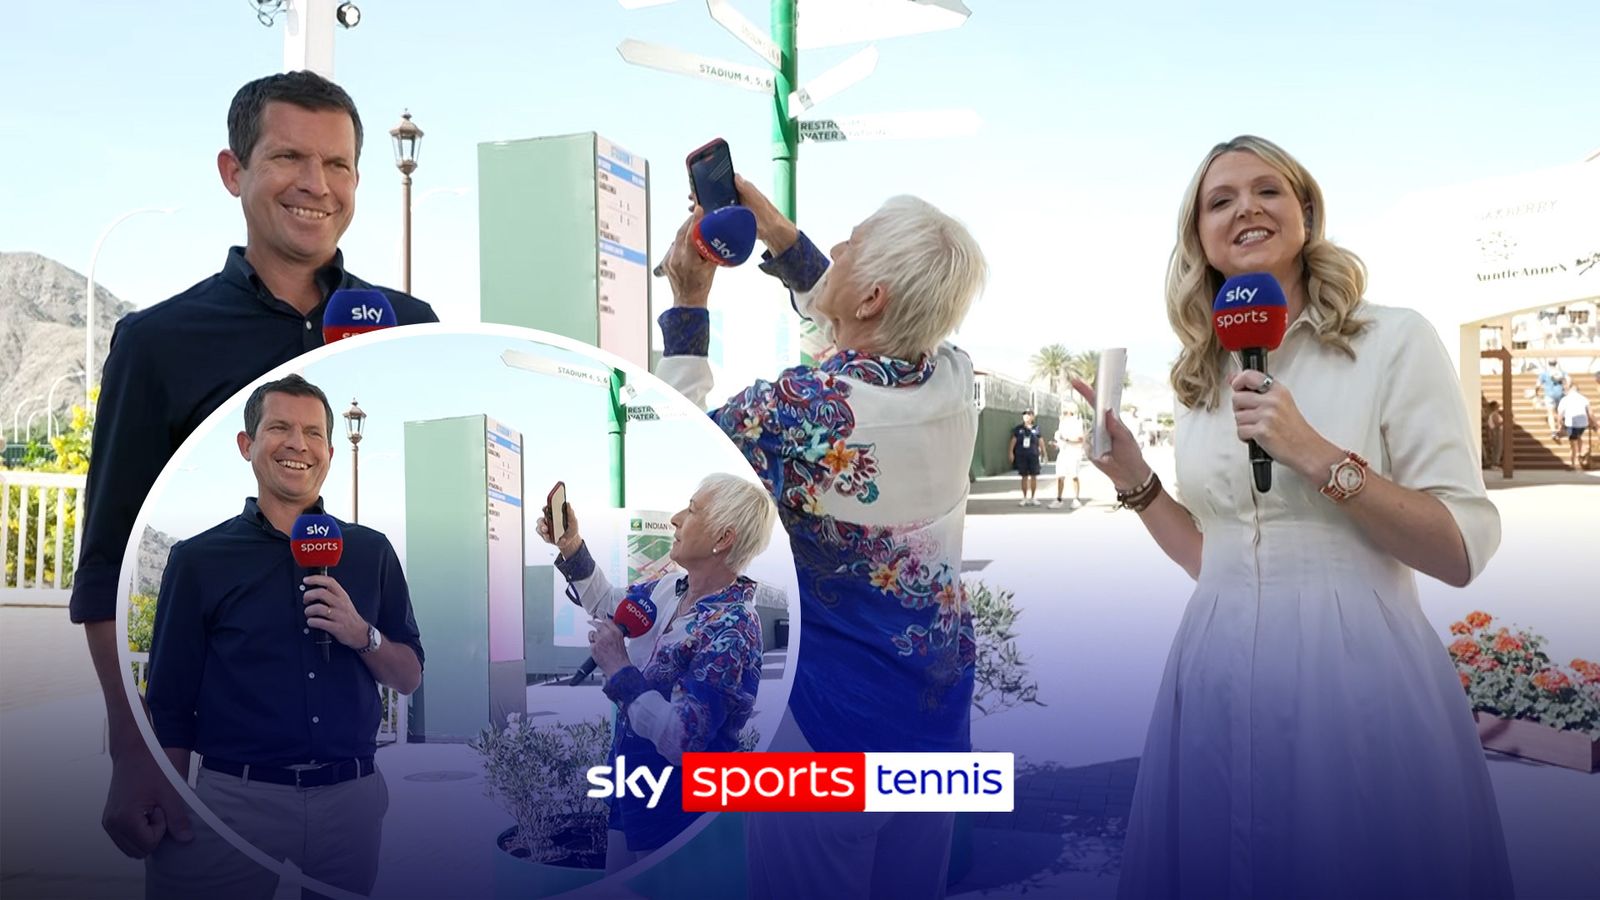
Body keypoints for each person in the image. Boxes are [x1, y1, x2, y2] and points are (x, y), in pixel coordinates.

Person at [1078, 135, 1513, 899]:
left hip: (1355, 681)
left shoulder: (1393, 340)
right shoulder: (1200, 369)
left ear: (1305, 214)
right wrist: (1137, 480)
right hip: (1210, 675)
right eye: (1220, 201)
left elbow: (1459, 550)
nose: (1245, 206)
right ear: (1200, 241)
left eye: (1267, 190)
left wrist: (1316, 455)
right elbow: (1211, 558)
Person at [73, 71, 437, 862]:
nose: (316, 185)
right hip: (219, 800)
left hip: (350, 801)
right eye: (288, 158)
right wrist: (131, 754)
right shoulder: (158, 343)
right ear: (234, 172)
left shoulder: (410, 329)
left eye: (337, 165)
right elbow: (106, 568)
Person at [656, 175, 987, 900]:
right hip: (935, 723)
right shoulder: (955, 379)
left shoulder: (797, 410)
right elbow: (856, 321)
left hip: (829, 734)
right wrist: (775, 231)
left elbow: (681, 451)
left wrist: (687, 305)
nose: (833, 246)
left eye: (853, 242)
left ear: (872, 298)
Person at [144, 375, 424, 898]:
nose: (299, 444)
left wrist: (361, 634)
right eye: (280, 428)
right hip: (234, 801)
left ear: (330, 452)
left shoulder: (371, 551)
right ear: (247, 446)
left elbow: (409, 676)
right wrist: (167, 797)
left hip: (351, 800)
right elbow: (171, 701)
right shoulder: (198, 560)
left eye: (313, 433)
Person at [538, 473, 775, 873]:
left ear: (724, 538)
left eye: (693, 509)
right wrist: (571, 547)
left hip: (680, 817)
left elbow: (683, 739)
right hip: (630, 794)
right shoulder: (670, 589)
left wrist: (620, 668)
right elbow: (609, 604)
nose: (676, 519)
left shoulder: (732, 628)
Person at [1050, 406, 1086, 509]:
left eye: (1065, 412)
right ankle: (1059, 499)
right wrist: (1055, 444)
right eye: (1063, 412)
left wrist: (1066, 439)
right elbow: (1060, 442)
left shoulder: (1077, 424)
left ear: (1071, 413)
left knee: (1074, 476)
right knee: (1060, 476)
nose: (1063, 414)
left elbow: (1080, 439)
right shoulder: (1061, 426)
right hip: (1062, 454)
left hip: (1074, 454)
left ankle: (1076, 499)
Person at [1009, 409, 1044, 506]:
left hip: (1033, 455)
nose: (1027, 416)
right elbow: (1013, 441)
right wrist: (1011, 452)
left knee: (1034, 476)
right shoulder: (1018, 429)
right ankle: (1024, 498)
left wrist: (1044, 452)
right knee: (1024, 476)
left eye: (1029, 414)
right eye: (1025, 415)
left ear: (1033, 417)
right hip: (1022, 455)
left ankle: (1033, 497)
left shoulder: (1036, 428)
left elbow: (1040, 440)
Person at [1557, 380, 1591, 470]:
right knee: (1578, 437)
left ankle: (1573, 462)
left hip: (1572, 424)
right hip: (1583, 424)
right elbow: (1590, 413)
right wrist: (1593, 423)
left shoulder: (1565, 399)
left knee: (1572, 444)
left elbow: (1560, 415)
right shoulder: (1584, 398)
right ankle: (1582, 451)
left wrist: (1559, 426)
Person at [1538, 358, 1567, 439]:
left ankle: (1553, 431)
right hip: (1560, 394)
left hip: (1549, 394)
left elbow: (1538, 385)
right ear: (1556, 363)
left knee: (1550, 413)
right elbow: (1568, 381)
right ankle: (1560, 428)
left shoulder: (1544, 374)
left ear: (1548, 364)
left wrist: (1536, 392)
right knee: (1560, 412)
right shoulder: (1562, 372)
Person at [1483, 400, 1504, 469]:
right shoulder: (1494, 414)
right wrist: (1504, 422)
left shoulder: (1494, 414)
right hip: (1496, 431)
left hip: (1496, 431)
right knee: (1497, 447)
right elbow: (1497, 424)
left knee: (1497, 447)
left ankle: (1495, 463)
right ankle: (1495, 463)